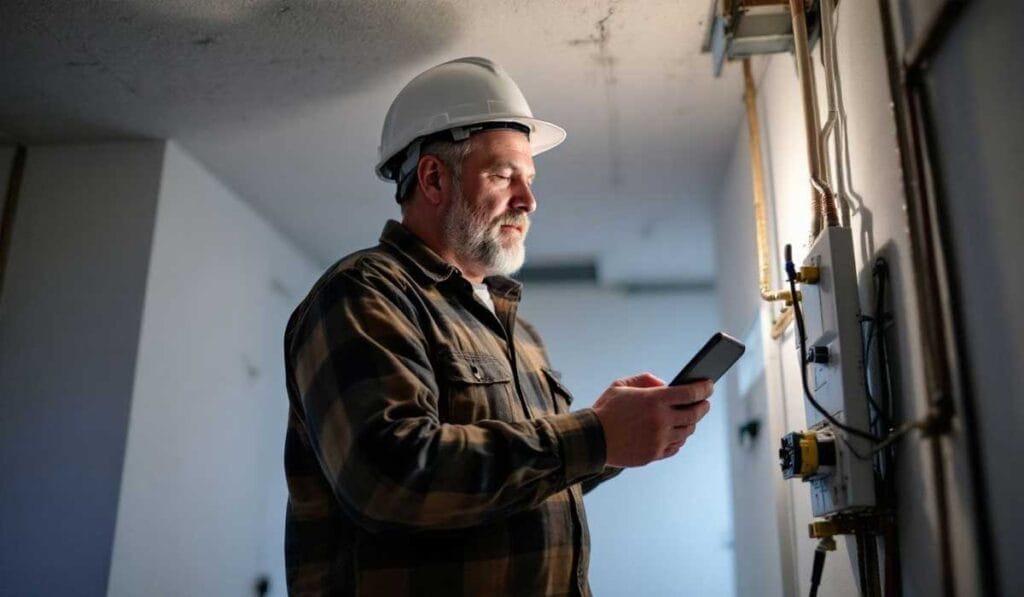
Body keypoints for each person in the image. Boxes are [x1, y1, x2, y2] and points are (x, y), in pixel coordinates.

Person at [283, 56, 713, 596]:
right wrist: (595, 434)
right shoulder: (365, 291)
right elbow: (389, 479)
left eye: (529, 179)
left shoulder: (518, 331)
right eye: (504, 175)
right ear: (434, 177)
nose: (529, 200)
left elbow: (520, 483)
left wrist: (610, 440)